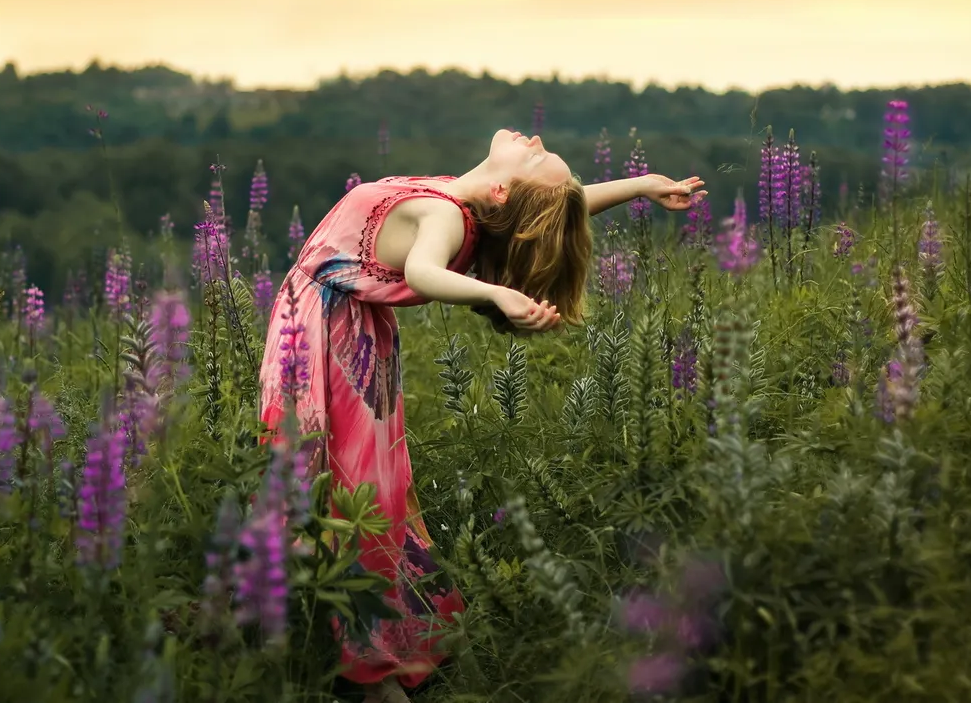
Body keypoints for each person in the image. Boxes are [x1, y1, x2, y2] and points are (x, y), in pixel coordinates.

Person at [257, 128, 706, 703]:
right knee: (352, 485)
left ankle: (367, 666)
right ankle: (346, 633)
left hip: (328, 340)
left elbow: (423, 271)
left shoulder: (444, 216)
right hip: (351, 336)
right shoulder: (476, 205)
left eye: (537, 156)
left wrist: (489, 294)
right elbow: (548, 206)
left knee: (338, 485)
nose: (536, 137)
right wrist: (641, 186)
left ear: (499, 190)